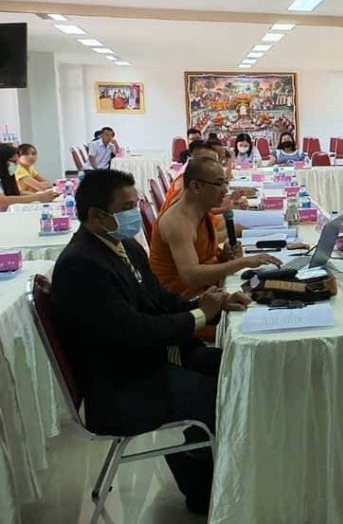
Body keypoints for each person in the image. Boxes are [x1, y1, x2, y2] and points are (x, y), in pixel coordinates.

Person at [51, 168, 252, 514]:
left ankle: (211, 468)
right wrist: (199, 316)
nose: (135, 213)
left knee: (236, 365)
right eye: (126, 208)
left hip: (143, 361)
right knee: (225, 388)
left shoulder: (124, 245)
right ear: (96, 216)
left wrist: (210, 307)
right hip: (120, 386)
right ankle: (202, 490)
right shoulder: (81, 265)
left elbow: (159, 300)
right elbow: (136, 330)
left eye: (136, 203)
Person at [150, 158, 280, 303]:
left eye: (225, 183)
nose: (225, 190)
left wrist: (224, 256)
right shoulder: (177, 222)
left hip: (209, 292)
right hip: (183, 305)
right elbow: (191, 275)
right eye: (219, 184)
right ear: (196, 186)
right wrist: (243, 262)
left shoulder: (201, 210)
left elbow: (206, 259)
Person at [0, 144, 57, 209]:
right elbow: (2, 201)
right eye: (13, 161)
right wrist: (39, 197)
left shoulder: (9, 176)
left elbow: (16, 193)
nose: (16, 164)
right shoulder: (20, 170)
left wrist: (43, 196)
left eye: (33, 154)